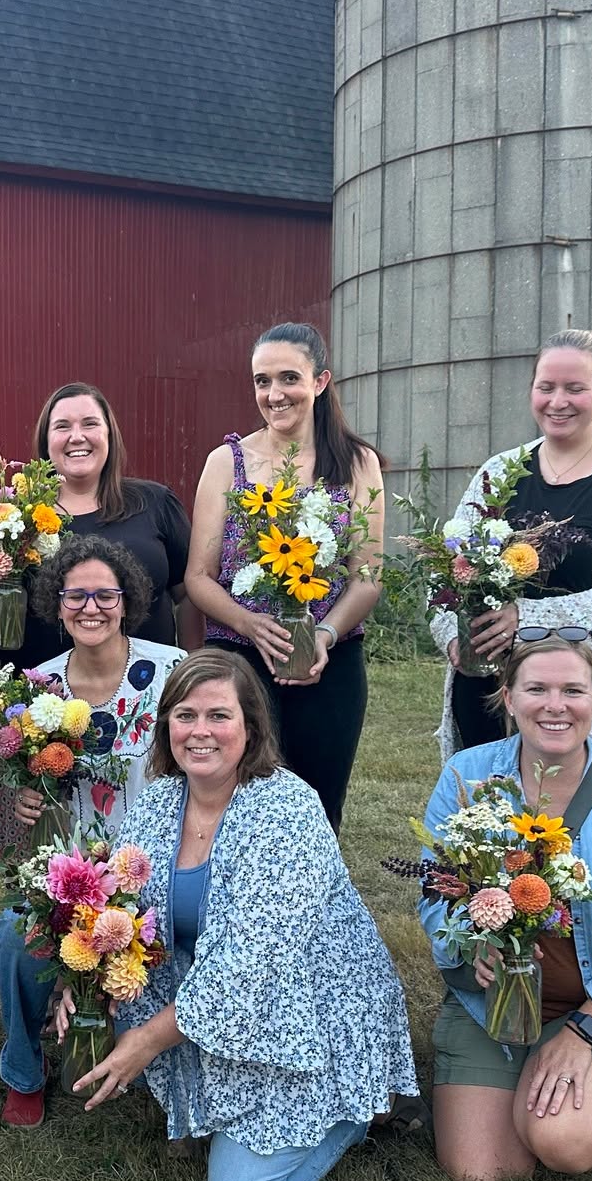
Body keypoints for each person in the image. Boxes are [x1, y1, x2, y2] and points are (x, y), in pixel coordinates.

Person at [70, 651, 417, 1181]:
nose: (199, 732)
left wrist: (147, 1040)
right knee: (196, 1141)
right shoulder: (159, 800)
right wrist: (84, 983)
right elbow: (127, 914)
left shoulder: (287, 809)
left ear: (251, 726)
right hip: (220, 997)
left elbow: (251, 961)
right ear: (166, 727)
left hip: (305, 1009)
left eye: (218, 716)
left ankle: (355, 1108)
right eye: (184, 715)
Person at [418, 631, 592, 1181]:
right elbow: (435, 895)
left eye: (573, 690)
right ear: (509, 697)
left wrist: (583, 1031)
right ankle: (524, 1081)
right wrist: (469, 951)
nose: (555, 706)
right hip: (491, 1004)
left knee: (563, 1141)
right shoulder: (466, 778)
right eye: (537, 688)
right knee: (485, 1174)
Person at [0, 538, 186, 1127]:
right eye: (76, 595)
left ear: (128, 602)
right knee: (13, 933)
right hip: (63, 878)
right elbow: (4, 835)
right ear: (57, 603)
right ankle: (24, 1068)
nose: (91, 606)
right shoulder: (33, 690)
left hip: (154, 871)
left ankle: (137, 1042)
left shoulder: (171, 674)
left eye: (106, 594)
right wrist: (18, 806)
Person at [431, 330, 592, 760]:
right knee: (485, 815)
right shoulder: (502, 470)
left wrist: (527, 620)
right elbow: (448, 566)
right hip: (489, 689)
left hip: (581, 701)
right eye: (546, 387)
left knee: (576, 818)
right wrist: (454, 638)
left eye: (575, 388)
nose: (558, 401)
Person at [185, 322, 385, 831]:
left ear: (321, 381)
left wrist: (324, 632)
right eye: (261, 381)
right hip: (240, 665)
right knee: (237, 811)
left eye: (289, 378)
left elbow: (368, 575)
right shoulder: (226, 463)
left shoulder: (357, 463)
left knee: (318, 813)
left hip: (330, 665)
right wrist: (252, 625)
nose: (274, 394)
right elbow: (200, 578)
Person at [0, 382, 195, 671]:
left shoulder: (156, 503)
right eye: (62, 426)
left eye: (90, 424)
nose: (77, 437)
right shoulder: (16, 518)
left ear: (109, 434)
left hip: (148, 696)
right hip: (40, 700)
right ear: (45, 441)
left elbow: (188, 596)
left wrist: (192, 668)